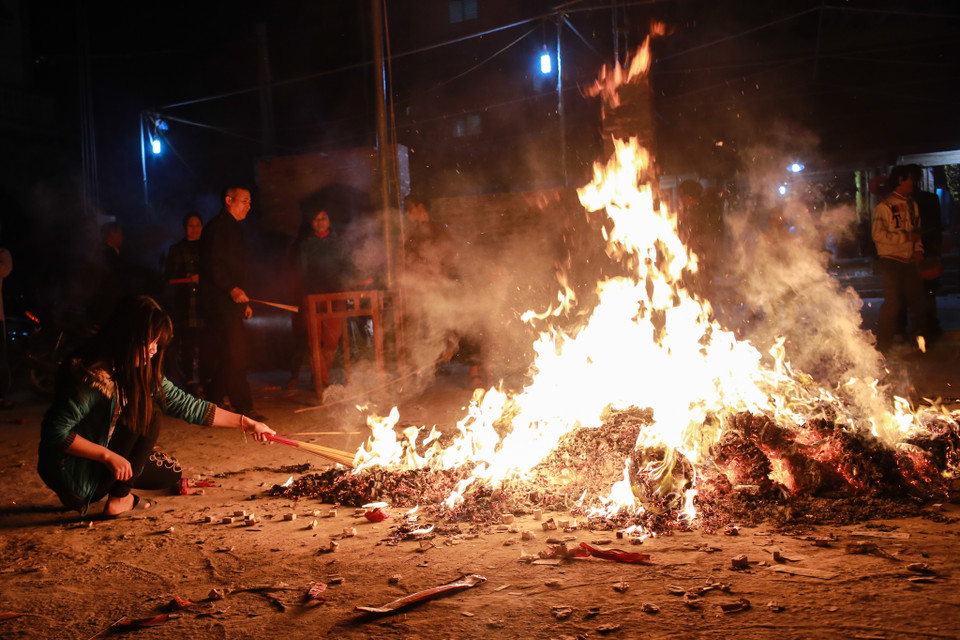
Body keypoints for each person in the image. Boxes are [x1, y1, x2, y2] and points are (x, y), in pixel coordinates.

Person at [37, 296, 275, 518]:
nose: (153, 350)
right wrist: (108, 456)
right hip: (74, 475)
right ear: (127, 337)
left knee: (170, 472)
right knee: (149, 416)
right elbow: (54, 433)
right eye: (148, 342)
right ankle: (119, 499)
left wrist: (246, 423)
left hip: (101, 459)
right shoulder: (92, 376)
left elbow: (186, 406)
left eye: (157, 343)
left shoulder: (138, 370)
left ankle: (119, 486)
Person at [199, 186, 260, 418]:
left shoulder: (234, 229)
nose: (248, 205)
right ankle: (242, 407)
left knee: (230, 354)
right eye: (244, 200)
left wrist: (244, 301)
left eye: (250, 201)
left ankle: (214, 404)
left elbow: (238, 269)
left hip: (230, 302)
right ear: (228, 200)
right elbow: (213, 265)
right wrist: (232, 289)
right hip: (218, 302)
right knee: (233, 353)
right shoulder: (217, 228)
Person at [288, 208, 356, 392]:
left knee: (332, 341)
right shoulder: (306, 244)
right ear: (311, 222)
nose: (320, 222)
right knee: (314, 341)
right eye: (316, 219)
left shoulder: (339, 242)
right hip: (313, 296)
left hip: (335, 296)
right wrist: (306, 293)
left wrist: (349, 281)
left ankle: (319, 374)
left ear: (329, 220)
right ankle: (323, 381)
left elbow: (348, 265)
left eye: (324, 218)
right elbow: (301, 272)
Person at [871, 165, 926, 354]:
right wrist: (905, 238)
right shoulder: (884, 208)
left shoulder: (913, 205)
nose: (913, 183)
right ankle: (883, 346)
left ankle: (918, 342)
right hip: (891, 261)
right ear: (900, 180)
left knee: (918, 302)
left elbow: (916, 233)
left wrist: (918, 250)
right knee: (893, 303)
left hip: (910, 261)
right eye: (910, 179)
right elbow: (878, 236)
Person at [165, 213, 204, 392]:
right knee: (187, 343)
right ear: (184, 227)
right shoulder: (176, 249)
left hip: (204, 302)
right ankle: (189, 380)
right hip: (186, 303)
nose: (195, 229)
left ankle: (205, 379)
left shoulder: (207, 247)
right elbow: (169, 276)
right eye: (191, 225)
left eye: (198, 225)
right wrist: (188, 277)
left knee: (205, 343)